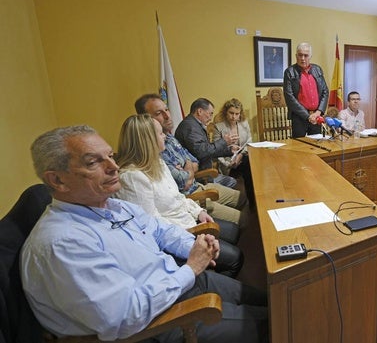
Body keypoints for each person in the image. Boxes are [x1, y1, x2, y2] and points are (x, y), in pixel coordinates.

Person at [21, 125, 268, 342]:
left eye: (110, 156)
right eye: (93, 162)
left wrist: (194, 246)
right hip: (158, 322)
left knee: (273, 300)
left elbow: (161, 230)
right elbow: (125, 316)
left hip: (176, 280)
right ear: (57, 180)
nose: (114, 167)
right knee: (277, 321)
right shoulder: (62, 243)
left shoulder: (113, 205)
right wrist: (191, 268)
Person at [114, 114, 243, 277]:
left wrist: (198, 212)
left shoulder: (158, 162)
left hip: (188, 218)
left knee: (234, 231)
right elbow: (153, 226)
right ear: (148, 141)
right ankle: (212, 287)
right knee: (235, 258)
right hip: (179, 235)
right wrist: (192, 231)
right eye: (161, 134)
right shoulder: (133, 178)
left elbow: (178, 197)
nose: (166, 136)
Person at [135, 94, 247, 224]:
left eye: (166, 109)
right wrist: (189, 168)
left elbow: (193, 159)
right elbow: (184, 179)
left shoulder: (169, 137)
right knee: (244, 217)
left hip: (197, 184)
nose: (167, 115)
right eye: (159, 113)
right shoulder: (157, 147)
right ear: (146, 120)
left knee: (244, 197)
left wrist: (187, 166)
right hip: (191, 197)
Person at [175, 98, 241, 188]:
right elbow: (202, 152)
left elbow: (208, 149)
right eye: (210, 114)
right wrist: (223, 141)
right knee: (233, 182)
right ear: (200, 111)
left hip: (205, 172)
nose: (210, 118)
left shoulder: (194, 124)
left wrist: (229, 150)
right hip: (200, 176)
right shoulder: (190, 127)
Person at [283, 42, 329, 138]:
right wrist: (307, 116)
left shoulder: (317, 69)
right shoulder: (289, 72)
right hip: (299, 117)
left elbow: (325, 91)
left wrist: (318, 112)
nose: (303, 58)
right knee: (299, 148)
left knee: (317, 146)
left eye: (306, 55)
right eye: (300, 55)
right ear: (296, 56)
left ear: (310, 56)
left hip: (316, 116)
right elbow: (289, 97)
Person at [212, 98, 254, 203]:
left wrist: (240, 156)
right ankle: (241, 202)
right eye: (231, 113)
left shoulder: (244, 123)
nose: (234, 117)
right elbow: (216, 149)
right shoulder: (219, 127)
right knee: (247, 165)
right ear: (226, 112)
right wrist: (228, 163)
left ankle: (252, 202)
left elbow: (249, 143)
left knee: (249, 164)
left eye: (237, 114)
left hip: (242, 158)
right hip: (227, 161)